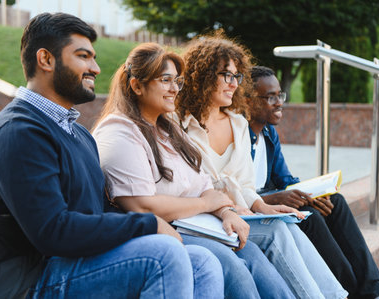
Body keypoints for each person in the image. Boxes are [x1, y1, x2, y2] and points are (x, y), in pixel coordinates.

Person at [0, 13, 224, 298]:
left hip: (80, 261)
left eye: (93, 58)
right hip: (33, 277)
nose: (95, 68)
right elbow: (51, 231)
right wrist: (148, 223)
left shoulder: (78, 134)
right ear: (45, 60)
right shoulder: (19, 130)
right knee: (162, 254)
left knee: (202, 261)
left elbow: (97, 212)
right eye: (83, 56)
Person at [92, 42, 295, 299]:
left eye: (177, 80)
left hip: (194, 224)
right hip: (159, 231)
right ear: (137, 85)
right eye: (166, 80)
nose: (175, 88)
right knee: (232, 265)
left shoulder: (168, 128)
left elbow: (204, 184)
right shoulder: (120, 131)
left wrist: (226, 211)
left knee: (251, 251)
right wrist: (204, 203)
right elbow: (142, 206)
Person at [175, 33, 348, 299]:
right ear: (204, 76)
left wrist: (262, 206)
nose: (234, 84)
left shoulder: (238, 124)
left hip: (238, 213)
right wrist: (237, 208)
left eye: (237, 76)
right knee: (277, 229)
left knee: (287, 223)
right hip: (203, 218)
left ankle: (335, 296)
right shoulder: (179, 125)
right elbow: (191, 187)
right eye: (226, 75)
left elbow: (244, 185)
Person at [247, 65, 379, 299]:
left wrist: (312, 195)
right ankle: (351, 293)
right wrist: (277, 198)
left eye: (280, 95)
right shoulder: (238, 135)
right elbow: (237, 193)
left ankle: (374, 292)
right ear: (247, 101)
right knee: (310, 218)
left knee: (334, 202)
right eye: (270, 97)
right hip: (254, 209)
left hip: (273, 202)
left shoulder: (269, 134)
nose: (279, 102)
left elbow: (286, 180)